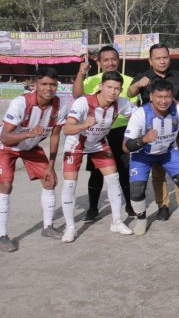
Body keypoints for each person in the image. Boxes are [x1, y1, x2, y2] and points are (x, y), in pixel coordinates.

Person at [61, 71, 135, 242]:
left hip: (98, 143)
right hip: (76, 145)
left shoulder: (121, 103)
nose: (113, 92)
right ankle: (70, 227)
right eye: (109, 87)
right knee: (70, 185)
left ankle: (116, 222)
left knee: (114, 179)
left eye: (117, 88)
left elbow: (138, 115)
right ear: (101, 87)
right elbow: (67, 129)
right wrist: (83, 125)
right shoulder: (83, 102)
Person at [0, 67, 67, 252]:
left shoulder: (59, 106)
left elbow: (55, 136)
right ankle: (2, 235)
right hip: (6, 148)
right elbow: (4, 137)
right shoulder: (20, 103)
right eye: (44, 84)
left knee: (50, 180)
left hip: (30, 147)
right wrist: (30, 133)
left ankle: (47, 227)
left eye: (53, 84)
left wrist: (51, 166)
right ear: (35, 85)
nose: (48, 88)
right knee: (5, 185)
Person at [124, 79, 179, 235]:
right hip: (142, 155)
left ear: (172, 96)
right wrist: (143, 139)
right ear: (151, 96)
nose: (163, 101)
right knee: (136, 190)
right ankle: (141, 219)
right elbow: (125, 146)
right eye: (159, 97)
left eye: (167, 96)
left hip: (168, 152)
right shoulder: (140, 113)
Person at [73, 46, 138, 222]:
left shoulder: (129, 81)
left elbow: (133, 111)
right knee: (96, 172)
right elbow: (77, 96)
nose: (110, 62)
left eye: (113, 59)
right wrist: (80, 74)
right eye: (106, 59)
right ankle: (93, 208)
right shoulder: (91, 81)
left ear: (118, 60)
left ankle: (130, 205)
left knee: (123, 170)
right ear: (99, 62)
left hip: (120, 132)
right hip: (96, 133)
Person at [128, 44, 179, 221]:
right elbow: (130, 93)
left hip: (175, 133)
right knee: (158, 173)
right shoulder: (143, 77)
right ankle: (162, 205)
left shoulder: (178, 76)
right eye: (158, 58)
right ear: (150, 60)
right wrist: (138, 84)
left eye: (165, 57)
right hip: (152, 135)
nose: (162, 61)